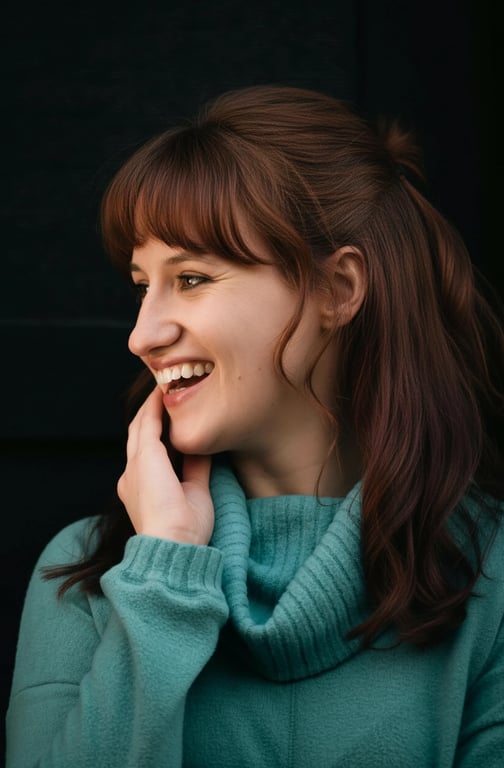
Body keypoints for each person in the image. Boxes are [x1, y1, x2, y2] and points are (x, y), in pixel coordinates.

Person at [6, 85, 504, 768]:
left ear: (338, 290)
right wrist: (161, 582)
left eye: (192, 278)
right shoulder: (85, 576)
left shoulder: (493, 579)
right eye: (140, 284)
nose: (142, 335)